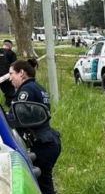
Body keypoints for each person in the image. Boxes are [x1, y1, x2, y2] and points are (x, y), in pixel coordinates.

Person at [8, 59, 61, 194]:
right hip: (49, 140)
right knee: (44, 182)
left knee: (42, 184)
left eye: (11, 74)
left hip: (42, 143)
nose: (10, 79)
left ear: (21, 73)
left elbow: (18, 117)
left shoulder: (26, 90)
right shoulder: (38, 87)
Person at [0, 39, 17, 107]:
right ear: (10, 46)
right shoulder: (12, 53)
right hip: (6, 77)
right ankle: (10, 107)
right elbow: (14, 66)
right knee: (10, 93)